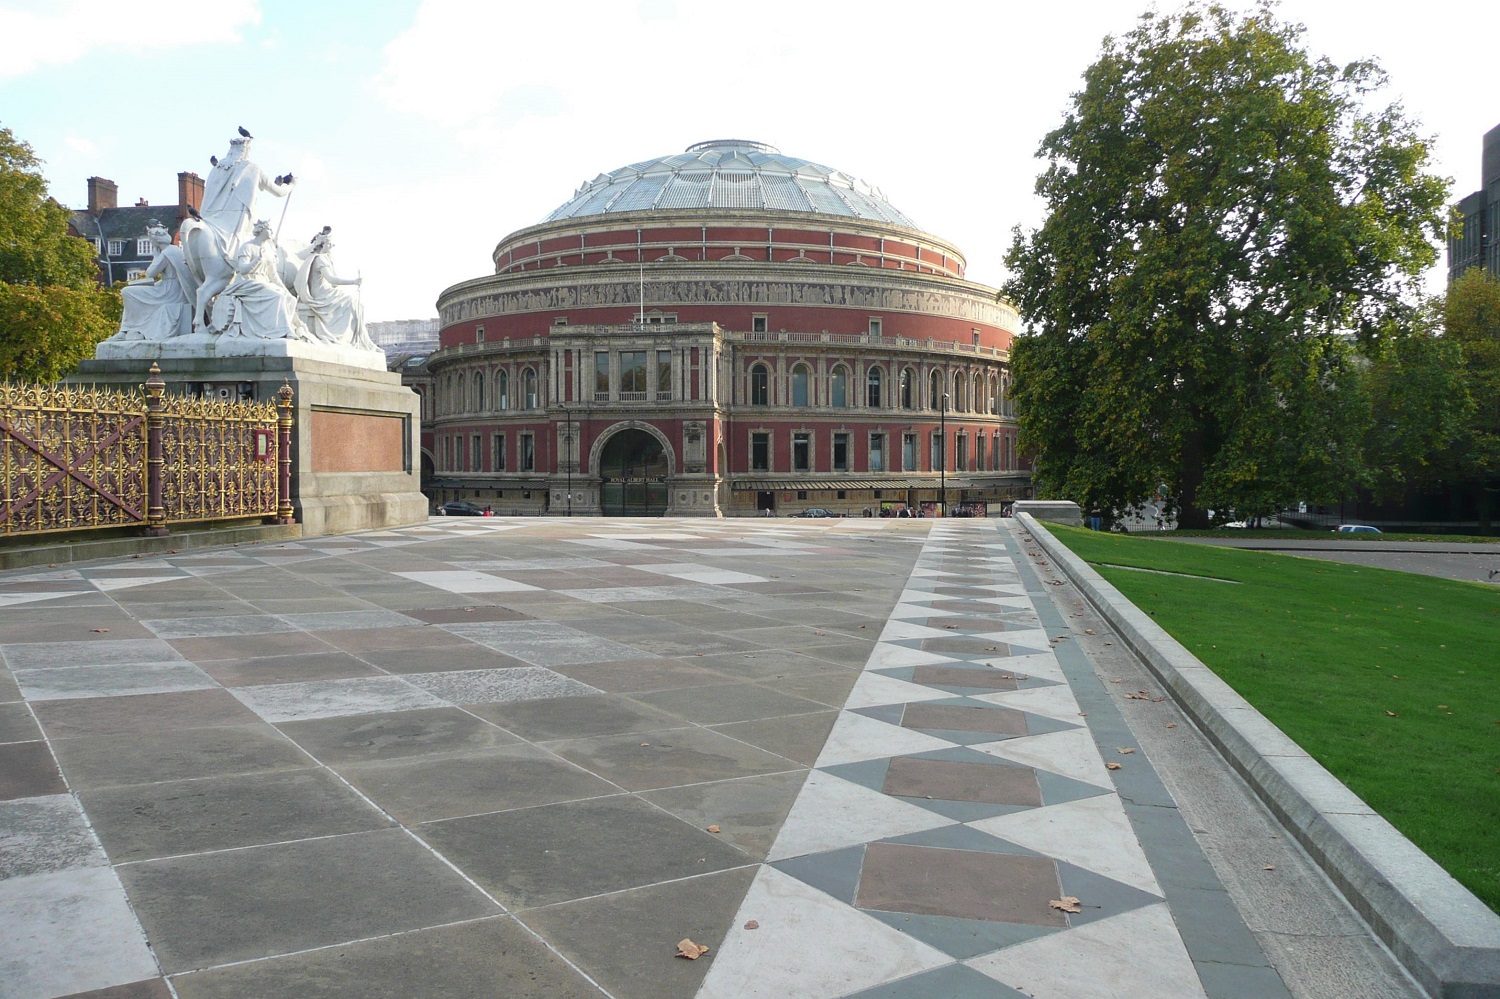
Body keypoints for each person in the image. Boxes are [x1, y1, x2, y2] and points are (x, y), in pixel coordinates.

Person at [211, 219, 307, 339]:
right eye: (269, 229)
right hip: (248, 283)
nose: (272, 231)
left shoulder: (269, 251)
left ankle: (278, 328)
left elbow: (273, 276)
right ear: (261, 229)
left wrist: (286, 290)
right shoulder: (247, 247)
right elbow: (243, 269)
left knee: (289, 299)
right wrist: (257, 260)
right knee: (278, 297)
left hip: (264, 283)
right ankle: (284, 330)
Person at [200, 134, 295, 248]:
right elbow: (279, 192)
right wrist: (292, 185)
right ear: (245, 151)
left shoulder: (215, 169)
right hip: (237, 228)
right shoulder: (252, 168)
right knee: (266, 251)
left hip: (210, 222)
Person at [110, 222, 195, 340]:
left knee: (127, 292)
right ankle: (128, 330)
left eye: (150, 240)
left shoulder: (167, 253)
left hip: (170, 292)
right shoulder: (173, 250)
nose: (150, 242)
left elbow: (150, 273)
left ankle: (128, 329)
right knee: (130, 293)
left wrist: (155, 256)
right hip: (168, 288)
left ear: (156, 240)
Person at [294, 229, 375, 349]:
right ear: (323, 245)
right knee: (351, 303)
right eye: (329, 244)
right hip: (322, 294)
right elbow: (331, 279)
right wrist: (353, 282)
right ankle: (343, 337)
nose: (331, 246)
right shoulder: (319, 259)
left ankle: (353, 339)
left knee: (356, 304)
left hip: (327, 292)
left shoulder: (324, 258)